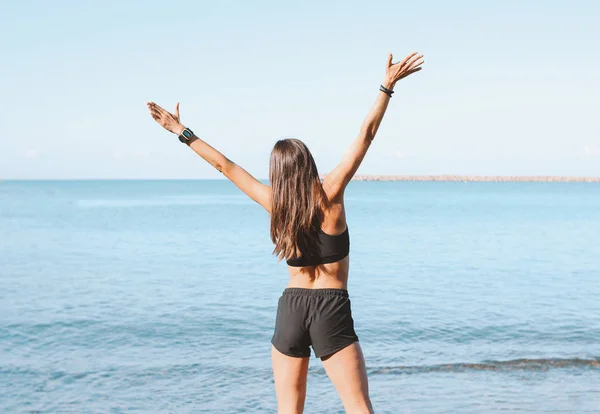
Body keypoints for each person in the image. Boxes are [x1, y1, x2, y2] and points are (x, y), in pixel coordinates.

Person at [146, 52, 424, 414]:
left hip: (291, 307)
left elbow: (225, 165)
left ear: (277, 172)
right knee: (358, 407)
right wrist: (386, 87)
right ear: (308, 163)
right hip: (330, 307)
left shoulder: (274, 203)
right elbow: (365, 136)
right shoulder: (331, 194)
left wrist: (181, 131)